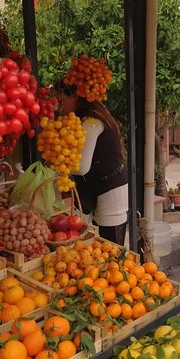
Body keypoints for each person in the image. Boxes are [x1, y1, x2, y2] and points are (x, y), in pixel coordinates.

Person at [55, 83, 128, 246]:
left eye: (62, 101)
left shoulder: (91, 122)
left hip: (110, 192)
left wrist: (55, 163)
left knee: (111, 248)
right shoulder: (90, 116)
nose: (59, 108)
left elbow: (81, 167)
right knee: (100, 247)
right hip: (101, 188)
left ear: (75, 97)